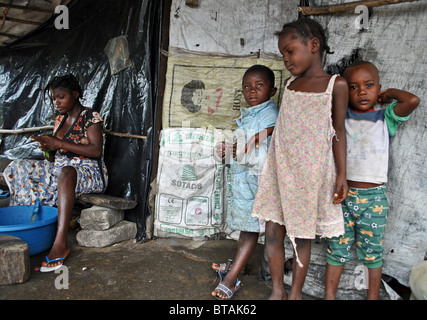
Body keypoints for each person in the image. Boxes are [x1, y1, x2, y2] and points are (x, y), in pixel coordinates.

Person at [251, 17, 349, 300]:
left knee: (301, 236)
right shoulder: (290, 85)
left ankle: (295, 293)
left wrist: (341, 174)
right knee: (272, 232)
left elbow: (338, 132)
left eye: (290, 51)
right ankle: (278, 290)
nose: (286, 59)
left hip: (310, 174)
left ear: (314, 45)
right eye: (282, 54)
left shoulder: (335, 85)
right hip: (280, 169)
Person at [325, 60, 420, 300]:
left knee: (372, 254)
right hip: (341, 195)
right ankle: (329, 297)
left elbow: (412, 101)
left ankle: (373, 298)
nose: (362, 91)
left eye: (369, 85)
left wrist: (386, 95)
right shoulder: (340, 116)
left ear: (378, 88)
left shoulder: (385, 117)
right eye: (354, 87)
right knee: (336, 251)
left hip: (373, 199)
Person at [4, 74, 108, 272]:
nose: (57, 102)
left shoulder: (90, 116)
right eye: (54, 98)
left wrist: (58, 142)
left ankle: (60, 242)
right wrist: (49, 149)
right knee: (17, 166)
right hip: (59, 169)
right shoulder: (60, 119)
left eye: (61, 97)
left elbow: (96, 151)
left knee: (66, 172)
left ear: (75, 95)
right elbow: (54, 158)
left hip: (87, 172)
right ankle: (29, 224)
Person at [211, 65, 279, 299]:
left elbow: (266, 144)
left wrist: (243, 146)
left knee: (250, 231)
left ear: (272, 90)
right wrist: (227, 152)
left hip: (258, 183)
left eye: (259, 86)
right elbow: (243, 149)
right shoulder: (249, 115)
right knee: (246, 229)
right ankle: (234, 266)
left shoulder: (270, 114)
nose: (253, 91)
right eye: (247, 87)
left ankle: (232, 278)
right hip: (245, 183)